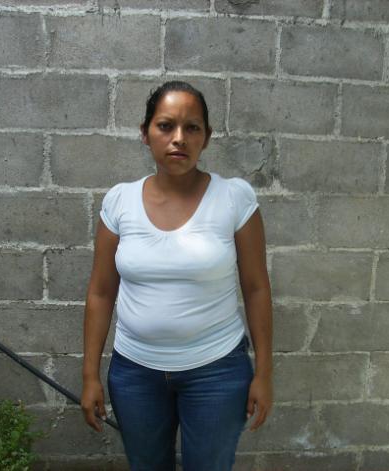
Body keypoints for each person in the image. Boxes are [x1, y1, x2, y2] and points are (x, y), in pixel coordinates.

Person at [81, 80, 273, 471]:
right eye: (166, 126)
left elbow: (256, 289)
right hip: (135, 374)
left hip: (217, 373)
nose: (179, 138)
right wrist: (90, 375)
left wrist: (264, 374)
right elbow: (100, 293)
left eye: (192, 127)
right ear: (145, 133)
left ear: (207, 137)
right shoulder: (119, 202)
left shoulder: (234, 198)